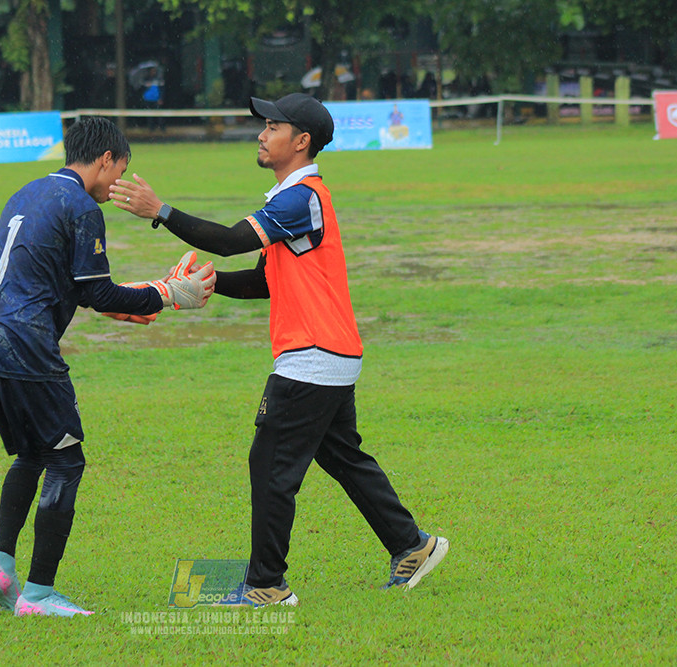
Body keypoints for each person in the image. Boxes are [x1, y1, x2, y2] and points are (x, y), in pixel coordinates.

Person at [109, 93, 448, 607]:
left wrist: (161, 211)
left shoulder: (300, 197)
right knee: (344, 459)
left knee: (269, 464)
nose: (262, 135)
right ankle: (411, 545)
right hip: (329, 353)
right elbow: (266, 281)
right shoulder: (291, 201)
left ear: (301, 141)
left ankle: (266, 585)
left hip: (311, 355)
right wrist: (206, 284)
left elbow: (226, 239)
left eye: (272, 127)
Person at [0, 116, 216, 618]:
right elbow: (99, 291)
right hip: (26, 343)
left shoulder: (27, 193)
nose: (118, 182)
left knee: (34, 454)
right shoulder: (81, 205)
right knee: (66, 460)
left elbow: (82, 291)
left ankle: (0, 567)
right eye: (121, 170)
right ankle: (37, 595)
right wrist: (167, 294)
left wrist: (141, 301)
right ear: (105, 159)